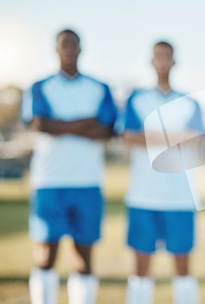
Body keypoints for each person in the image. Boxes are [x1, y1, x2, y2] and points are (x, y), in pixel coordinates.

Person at [22, 29, 117, 304]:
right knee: (46, 256)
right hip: (49, 182)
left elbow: (106, 130)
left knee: (84, 257)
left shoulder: (100, 87)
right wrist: (86, 122)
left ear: (80, 48)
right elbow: (40, 124)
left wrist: (59, 125)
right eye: (63, 45)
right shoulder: (40, 86)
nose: (68, 50)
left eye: (73, 45)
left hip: (88, 182)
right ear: (55, 49)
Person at [119, 41, 203, 304]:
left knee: (183, 269)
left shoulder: (190, 102)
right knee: (142, 269)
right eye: (158, 57)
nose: (163, 61)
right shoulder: (137, 98)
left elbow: (197, 139)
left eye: (167, 57)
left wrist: (152, 135)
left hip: (180, 197)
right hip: (143, 196)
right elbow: (128, 137)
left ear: (174, 61)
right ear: (151, 61)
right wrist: (176, 136)